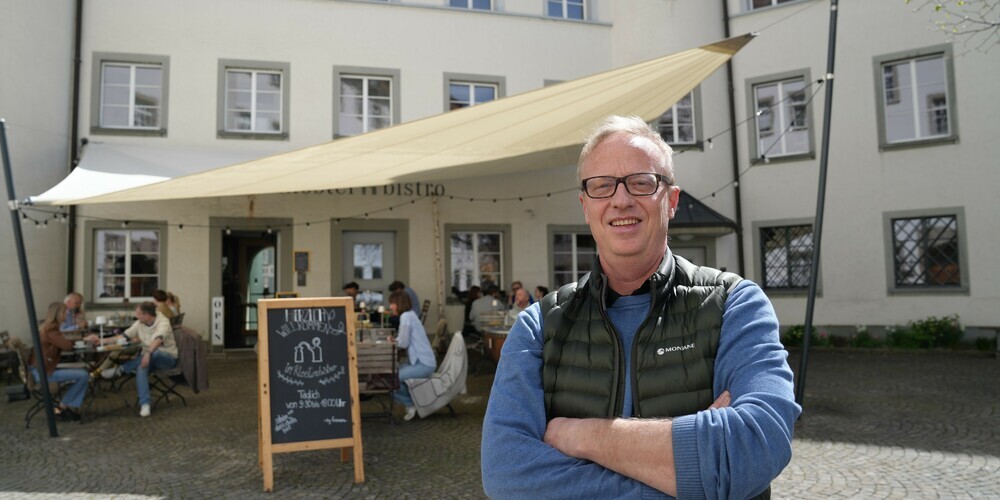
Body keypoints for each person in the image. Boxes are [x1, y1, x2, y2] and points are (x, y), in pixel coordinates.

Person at [481, 115, 800, 498]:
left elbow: (756, 447)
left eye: (641, 183)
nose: (620, 199)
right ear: (585, 206)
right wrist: (696, 476)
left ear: (672, 201)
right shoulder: (539, 325)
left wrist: (579, 436)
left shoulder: (735, 305)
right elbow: (506, 477)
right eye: (601, 186)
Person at [88, 301, 177, 418]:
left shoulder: (163, 322)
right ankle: (145, 404)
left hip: (167, 358)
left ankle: (121, 369)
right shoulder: (140, 323)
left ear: (146, 315)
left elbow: (159, 339)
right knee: (141, 367)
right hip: (148, 359)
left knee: (154, 353)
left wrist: (148, 353)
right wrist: (101, 341)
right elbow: (124, 336)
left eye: (138, 314)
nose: (136, 316)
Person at [30, 302, 91, 421]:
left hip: (41, 368)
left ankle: (64, 407)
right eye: (65, 313)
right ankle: (62, 407)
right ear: (58, 314)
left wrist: (82, 339)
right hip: (42, 372)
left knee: (83, 373)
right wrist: (84, 339)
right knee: (83, 375)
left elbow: (64, 342)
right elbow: (66, 346)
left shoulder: (48, 327)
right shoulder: (51, 329)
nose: (67, 315)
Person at [388, 290, 436, 421]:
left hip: (423, 364)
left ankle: (411, 405)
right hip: (423, 361)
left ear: (398, 303)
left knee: (392, 379)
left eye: (392, 303)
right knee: (392, 374)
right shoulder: (411, 315)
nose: (390, 306)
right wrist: (395, 340)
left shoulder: (406, 317)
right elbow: (404, 340)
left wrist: (393, 341)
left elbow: (403, 343)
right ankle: (411, 402)